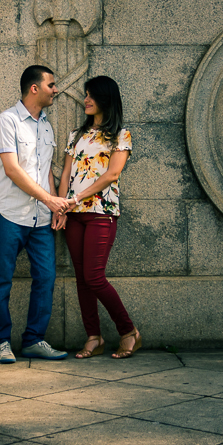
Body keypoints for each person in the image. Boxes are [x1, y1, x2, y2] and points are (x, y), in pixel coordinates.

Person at [53, 76, 140, 359]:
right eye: (86, 94)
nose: (86, 100)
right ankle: (94, 336)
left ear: (106, 98)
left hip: (102, 212)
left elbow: (112, 174)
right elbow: (66, 173)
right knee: (81, 278)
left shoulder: (120, 135)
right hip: (74, 215)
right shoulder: (76, 135)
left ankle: (129, 331)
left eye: (91, 95)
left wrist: (78, 198)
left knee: (94, 276)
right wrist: (62, 207)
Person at [0, 65, 70, 364]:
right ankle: (0, 342)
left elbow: (45, 168)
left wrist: (55, 205)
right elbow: (12, 170)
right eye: (51, 85)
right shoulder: (6, 121)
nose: (56, 90)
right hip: (9, 215)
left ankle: (34, 340)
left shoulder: (46, 126)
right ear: (34, 88)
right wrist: (50, 199)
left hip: (41, 220)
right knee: (1, 281)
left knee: (46, 278)